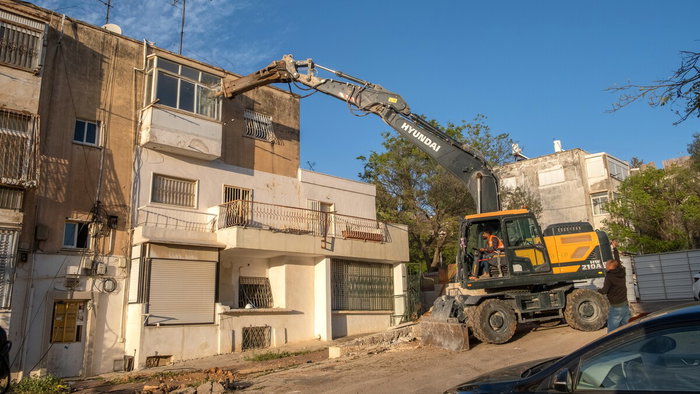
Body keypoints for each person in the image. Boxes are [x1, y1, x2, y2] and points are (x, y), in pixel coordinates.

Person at [599, 259, 630, 332]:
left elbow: (604, 291)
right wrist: (615, 249)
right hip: (624, 304)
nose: (605, 266)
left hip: (616, 307)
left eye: (606, 265)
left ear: (610, 267)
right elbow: (618, 262)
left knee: (611, 331)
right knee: (629, 327)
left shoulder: (609, 277)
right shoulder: (622, 272)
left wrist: (598, 291)